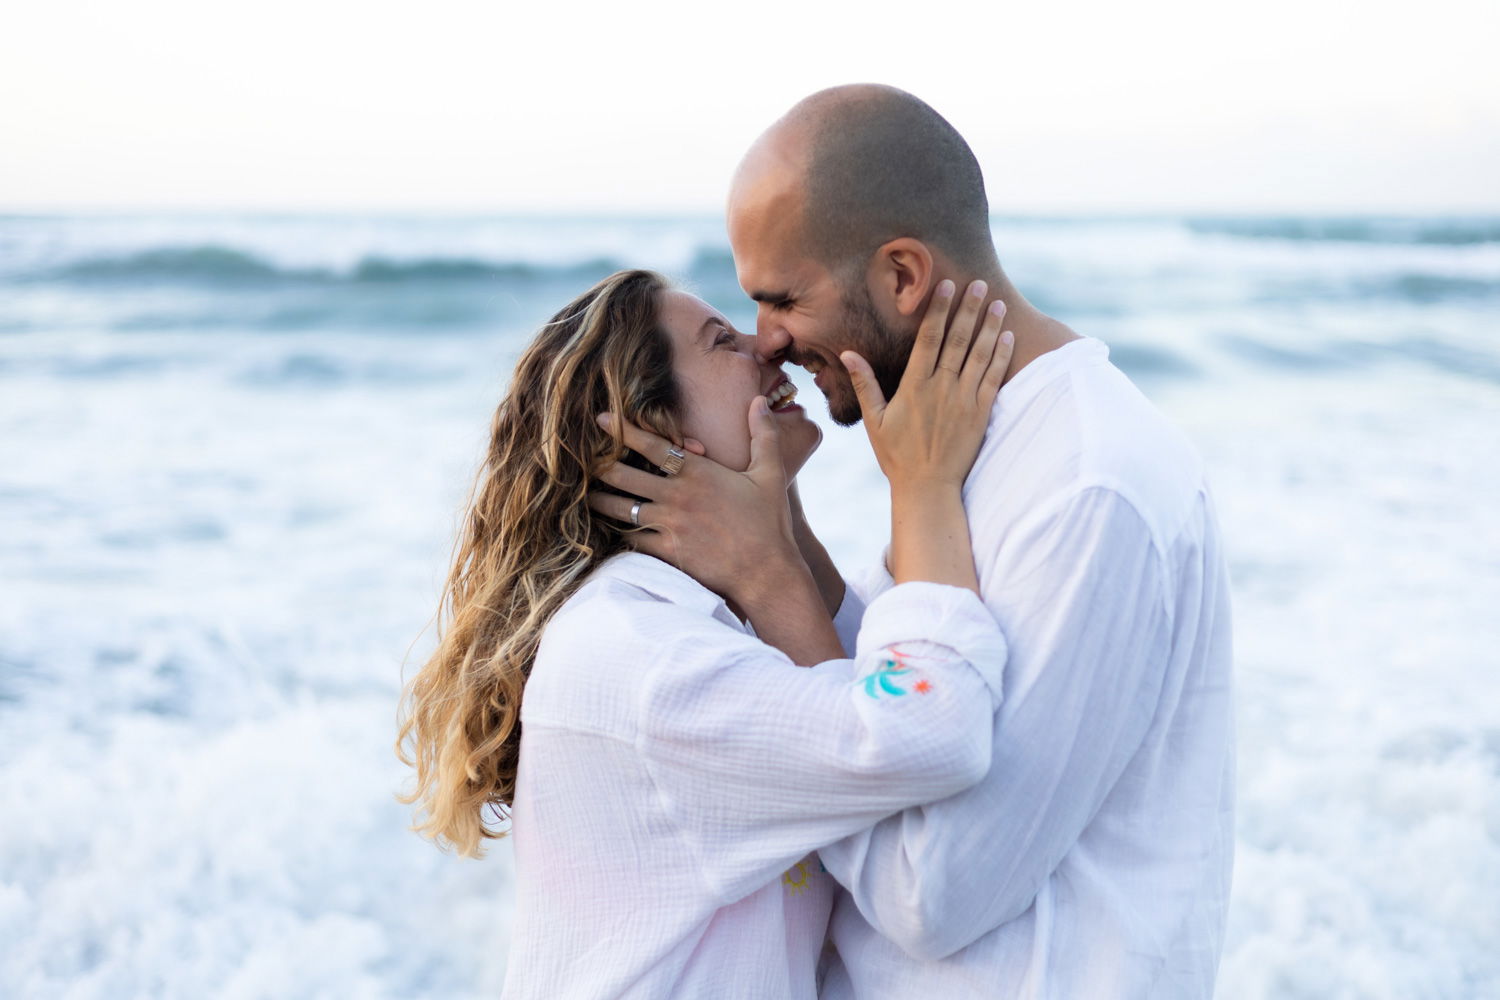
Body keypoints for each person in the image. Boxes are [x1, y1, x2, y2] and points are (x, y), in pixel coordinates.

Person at [606, 85, 1236, 998]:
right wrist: (782, 536)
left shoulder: (1087, 484)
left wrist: (772, 577)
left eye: (783, 299)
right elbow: (895, 681)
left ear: (901, 276)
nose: (766, 343)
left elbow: (930, 894)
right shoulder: (969, 441)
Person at [396, 268, 1017, 999]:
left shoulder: (696, 616)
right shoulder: (639, 651)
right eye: (722, 340)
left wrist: (779, 537)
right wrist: (924, 488)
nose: (767, 346)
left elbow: (861, 679)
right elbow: (924, 731)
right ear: (659, 429)